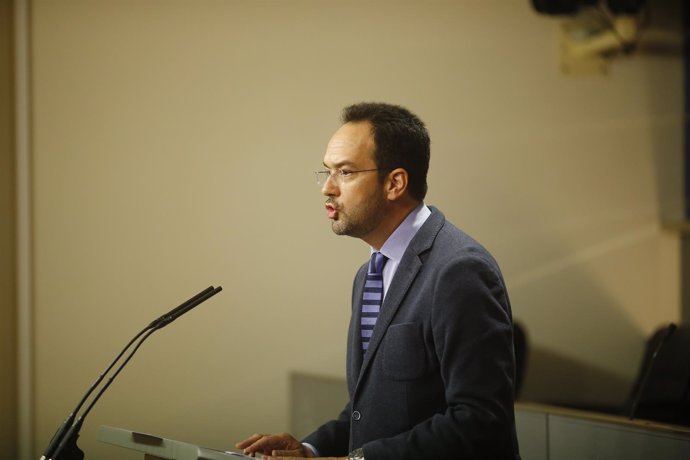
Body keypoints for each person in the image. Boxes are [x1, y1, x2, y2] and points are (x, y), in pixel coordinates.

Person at [236, 102, 520, 460]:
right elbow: (369, 411)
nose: (327, 188)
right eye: (326, 172)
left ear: (395, 183)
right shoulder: (369, 274)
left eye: (345, 172)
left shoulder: (459, 270)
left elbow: (479, 421)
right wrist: (312, 448)